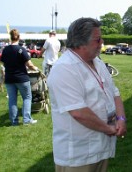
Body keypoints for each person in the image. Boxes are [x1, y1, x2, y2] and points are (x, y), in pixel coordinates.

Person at [47, 17, 126, 172]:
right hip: (78, 156)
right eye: (98, 40)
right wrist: (109, 129)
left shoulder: (98, 62)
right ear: (81, 43)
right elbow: (78, 112)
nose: (102, 42)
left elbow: (114, 93)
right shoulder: (64, 69)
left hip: (101, 149)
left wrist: (121, 119)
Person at [1, 29, 38, 126]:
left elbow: (3, 62)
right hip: (21, 78)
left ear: (10, 37)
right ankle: (26, 120)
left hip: (9, 78)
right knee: (27, 97)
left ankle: (14, 121)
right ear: (19, 37)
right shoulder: (21, 49)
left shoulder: (5, 49)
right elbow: (29, 64)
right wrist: (35, 68)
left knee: (12, 100)